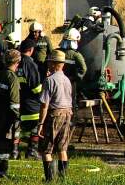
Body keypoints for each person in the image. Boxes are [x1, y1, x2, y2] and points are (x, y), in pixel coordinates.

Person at [38, 50, 73, 182]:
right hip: (67, 113)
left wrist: (41, 124)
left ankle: (49, 179)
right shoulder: (67, 80)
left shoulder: (49, 80)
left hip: (54, 115)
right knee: (62, 148)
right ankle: (63, 179)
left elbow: (44, 105)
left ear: (53, 64)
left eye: (49, 62)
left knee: (47, 149)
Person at [0, 50, 22, 178]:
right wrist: (17, 117)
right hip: (7, 116)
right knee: (5, 143)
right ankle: (2, 172)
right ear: (17, 62)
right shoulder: (12, 78)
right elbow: (14, 102)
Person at [16, 39, 43, 159]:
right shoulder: (30, 64)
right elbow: (36, 87)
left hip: (16, 100)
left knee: (16, 127)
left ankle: (14, 152)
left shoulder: (15, 62)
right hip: (31, 103)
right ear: (31, 50)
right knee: (35, 128)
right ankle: (32, 151)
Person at [59, 28, 87, 104]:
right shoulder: (76, 55)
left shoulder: (56, 52)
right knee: (70, 103)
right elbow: (83, 69)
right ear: (75, 42)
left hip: (57, 82)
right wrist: (76, 78)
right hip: (70, 82)